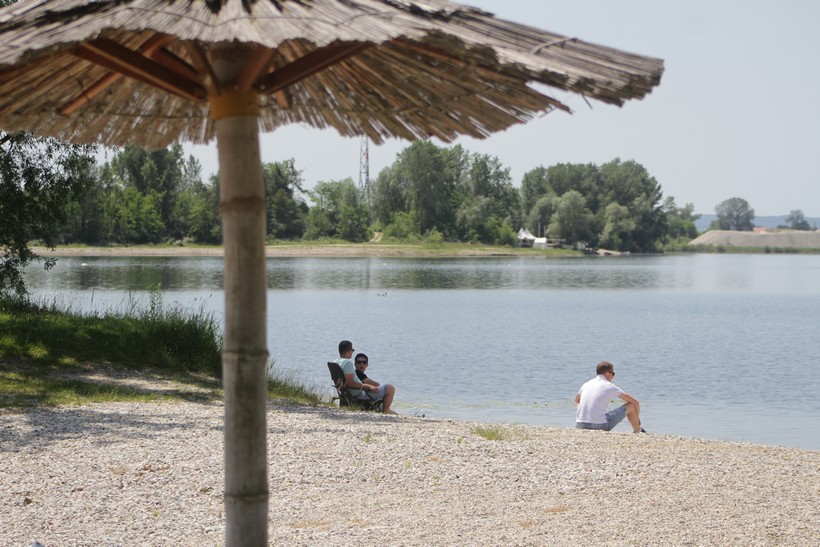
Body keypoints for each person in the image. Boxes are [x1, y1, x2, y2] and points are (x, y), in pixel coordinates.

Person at [575, 361, 646, 433]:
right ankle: (638, 430)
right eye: (613, 374)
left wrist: (583, 410)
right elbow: (635, 402)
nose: (612, 377)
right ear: (607, 373)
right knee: (631, 405)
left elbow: (577, 400)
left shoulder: (586, 384)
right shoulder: (609, 386)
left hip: (580, 424)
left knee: (604, 415)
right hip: (599, 426)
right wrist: (637, 419)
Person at [334, 340, 397, 415]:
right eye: (352, 350)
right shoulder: (347, 363)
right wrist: (368, 386)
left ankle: (383, 408)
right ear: (349, 351)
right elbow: (350, 384)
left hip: (349, 393)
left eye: (364, 362)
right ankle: (386, 410)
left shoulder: (336, 362)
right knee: (390, 388)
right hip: (358, 394)